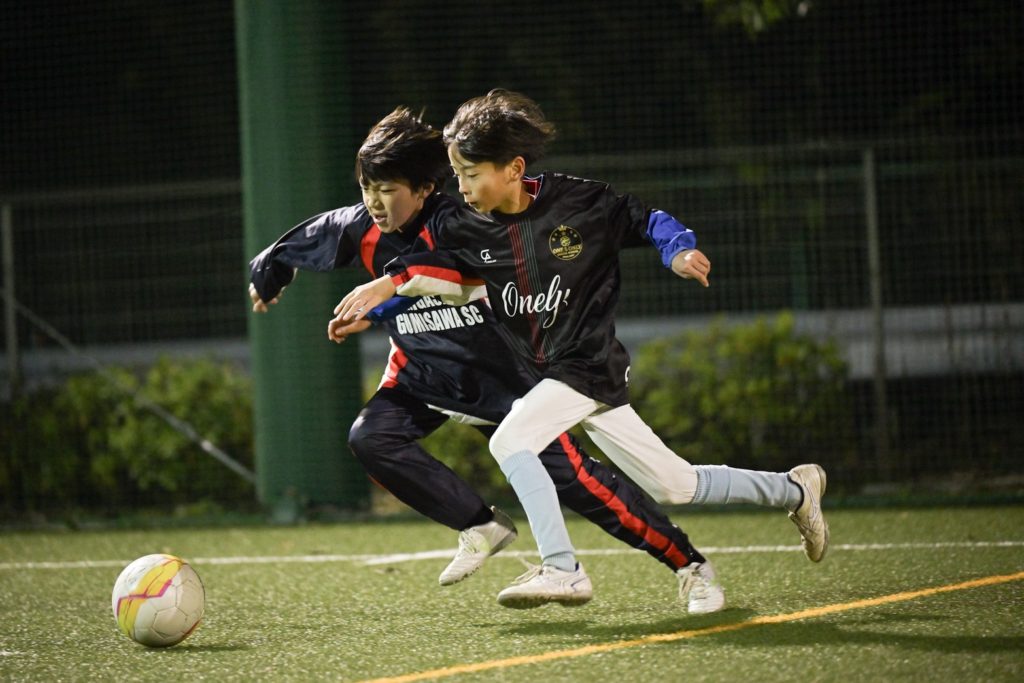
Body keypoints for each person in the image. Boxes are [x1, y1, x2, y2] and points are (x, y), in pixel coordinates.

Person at [330, 90, 829, 606]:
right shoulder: (467, 226)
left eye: (472, 173)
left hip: (588, 365)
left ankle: (562, 569)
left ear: (513, 168)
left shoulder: (578, 203)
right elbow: (444, 276)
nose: (462, 187)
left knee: (511, 440)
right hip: (551, 375)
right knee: (675, 484)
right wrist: (381, 302)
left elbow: (644, 218)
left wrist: (677, 251)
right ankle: (795, 490)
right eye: (457, 174)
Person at [250, 107, 725, 612]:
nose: (374, 201)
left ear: (425, 189)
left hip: (502, 381)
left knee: (581, 484)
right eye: (367, 188)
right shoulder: (360, 226)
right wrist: (269, 275)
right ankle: (481, 525)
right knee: (371, 438)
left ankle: (688, 563)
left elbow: (449, 276)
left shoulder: (468, 224)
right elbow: (305, 239)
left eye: (387, 189)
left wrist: (384, 297)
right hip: (422, 378)